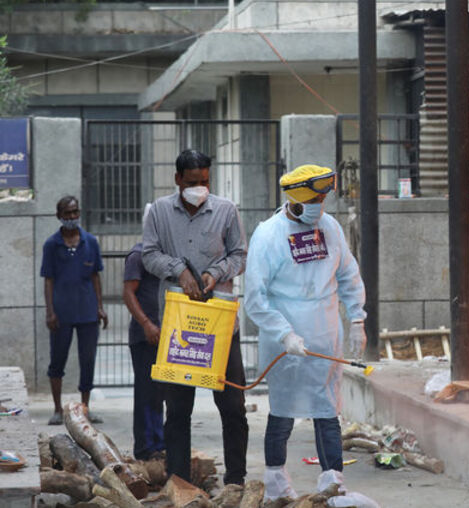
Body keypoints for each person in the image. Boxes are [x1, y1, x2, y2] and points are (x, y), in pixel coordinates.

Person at [244, 164, 366, 500]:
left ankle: (332, 481)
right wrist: (284, 333)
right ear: (294, 201)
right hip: (285, 344)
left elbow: (348, 275)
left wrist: (357, 318)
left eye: (322, 200)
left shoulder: (330, 228)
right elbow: (255, 299)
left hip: (326, 336)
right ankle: (275, 483)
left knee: (327, 410)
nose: (319, 207)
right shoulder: (268, 235)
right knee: (283, 410)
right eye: (313, 200)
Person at [142, 149, 249, 485]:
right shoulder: (158, 212)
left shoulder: (227, 211)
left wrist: (214, 274)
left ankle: (236, 480)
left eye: (204, 181)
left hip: (220, 326)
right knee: (176, 412)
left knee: (233, 406)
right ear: (177, 180)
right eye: (192, 182)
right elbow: (149, 254)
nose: (199, 188)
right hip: (179, 327)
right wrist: (178, 271)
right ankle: (179, 482)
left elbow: (240, 255)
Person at [41, 195, 108, 425]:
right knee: (57, 360)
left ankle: (85, 408)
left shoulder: (90, 242)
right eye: (67, 213)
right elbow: (48, 280)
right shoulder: (52, 245)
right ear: (59, 216)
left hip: (87, 312)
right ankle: (58, 409)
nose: (72, 217)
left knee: (88, 359)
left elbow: (95, 276)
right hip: (62, 313)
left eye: (75, 212)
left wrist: (100, 307)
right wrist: (50, 311)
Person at [122, 203, 165, 461]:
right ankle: (145, 448)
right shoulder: (138, 255)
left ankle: (160, 444)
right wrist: (147, 324)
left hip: (166, 335)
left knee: (162, 393)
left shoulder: (164, 255)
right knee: (147, 393)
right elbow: (128, 294)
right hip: (144, 337)